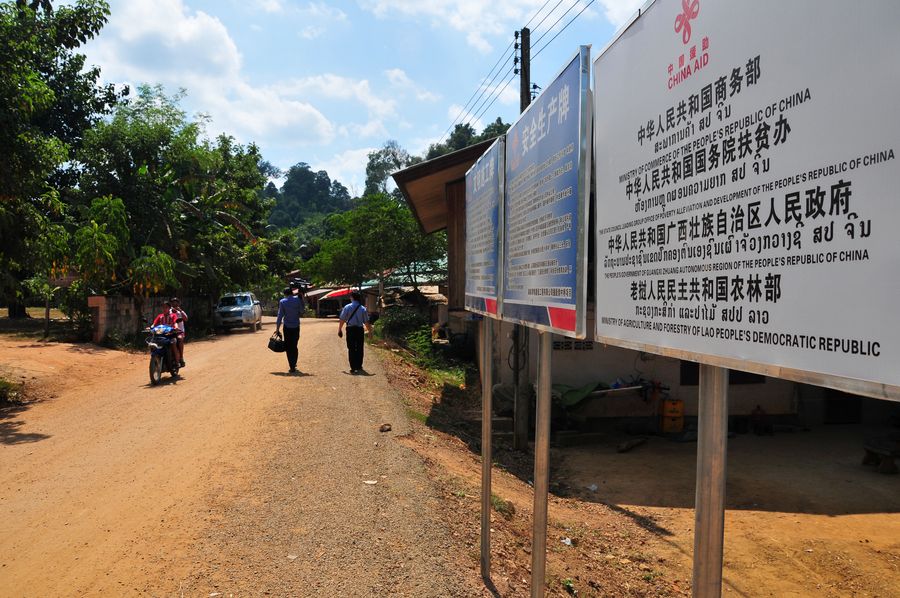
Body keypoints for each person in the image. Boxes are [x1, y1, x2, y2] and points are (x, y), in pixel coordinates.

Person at [338, 291, 372, 374]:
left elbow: (342, 319)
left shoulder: (347, 307)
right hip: (359, 330)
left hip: (350, 329)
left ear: (352, 298)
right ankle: (359, 365)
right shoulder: (363, 308)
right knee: (360, 347)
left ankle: (353, 367)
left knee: (351, 348)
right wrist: (370, 331)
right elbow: (366, 322)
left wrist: (340, 329)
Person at [275, 286, 304, 373]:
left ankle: (291, 365)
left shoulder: (282, 301)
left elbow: (280, 316)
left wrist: (277, 328)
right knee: (294, 346)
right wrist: (302, 299)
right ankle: (294, 363)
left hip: (287, 327)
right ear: (292, 293)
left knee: (288, 346)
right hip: (296, 326)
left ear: (285, 294)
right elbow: (302, 311)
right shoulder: (298, 300)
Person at [170, 297, 187, 367]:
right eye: (173, 303)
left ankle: (181, 357)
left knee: (180, 339)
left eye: (176, 302)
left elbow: (186, 318)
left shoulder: (180, 312)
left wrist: (180, 310)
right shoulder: (169, 311)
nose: (175, 304)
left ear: (178, 303)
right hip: (170, 331)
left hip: (180, 331)